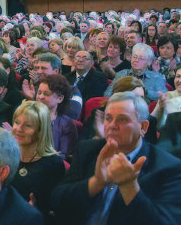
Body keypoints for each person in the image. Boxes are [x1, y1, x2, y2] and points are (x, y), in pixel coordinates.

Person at [52, 92, 181, 225]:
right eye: (108, 118)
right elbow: (58, 201)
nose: (112, 125)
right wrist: (96, 183)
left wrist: (129, 188)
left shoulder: (168, 167)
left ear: (143, 127)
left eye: (122, 119)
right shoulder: (87, 150)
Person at [10, 101, 65, 223]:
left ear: (41, 131)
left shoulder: (53, 164)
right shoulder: (6, 154)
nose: (18, 129)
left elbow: (54, 211)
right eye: (17, 123)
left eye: (27, 125)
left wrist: (35, 211)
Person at [36, 74, 78, 158]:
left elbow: (62, 156)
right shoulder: (28, 116)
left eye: (46, 94)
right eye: (39, 92)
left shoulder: (66, 125)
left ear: (60, 99)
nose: (40, 97)